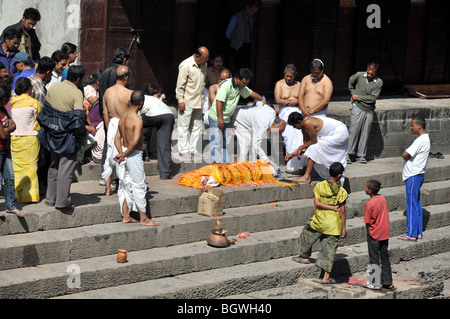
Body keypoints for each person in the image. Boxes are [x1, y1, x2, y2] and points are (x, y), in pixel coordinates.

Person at [39, 65, 86, 211]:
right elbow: (78, 120)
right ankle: (62, 202)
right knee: (66, 169)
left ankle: (50, 198)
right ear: (78, 79)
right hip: (67, 137)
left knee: (54, 166)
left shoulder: (53, 87)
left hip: (52, 134)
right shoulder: (77, 93)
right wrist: (82, 135)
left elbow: (47, 110)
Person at [292, 162, 348, 284]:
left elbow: (317, 203)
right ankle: (326, 278)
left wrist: (327, 207)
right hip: (333, 224)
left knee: (306, 235)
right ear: (339, 175)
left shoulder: (319, 186)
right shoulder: (342, 191)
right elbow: (342, 212)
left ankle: (304, 257)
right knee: (329, 250)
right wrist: (343, 228)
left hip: (319, 221)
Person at [113, 90, 160, 227]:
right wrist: (124, 154)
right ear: (141, 104)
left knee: (125, 185)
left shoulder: (122, 117)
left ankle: (126, 216)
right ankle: (144, 218)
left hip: (124, 154)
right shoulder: (137, 119)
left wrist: (121, 152)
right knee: (139, 185)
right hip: (132, 155)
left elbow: (117, 137)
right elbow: (135, 142)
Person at [208, 67, 265, 164]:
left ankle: (224, 165)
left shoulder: (241, 87)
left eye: (247, 83)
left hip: (227, 119)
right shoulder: (227, 85)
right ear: (237, 78)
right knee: (215, 143)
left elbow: (251, 93)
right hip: (216, 118)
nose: (245, 85)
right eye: (244, 83)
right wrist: (220, 119)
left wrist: (263, 100)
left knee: (226, 143)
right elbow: (219, 102)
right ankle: (215, 166)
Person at [285, 112, 349, 185]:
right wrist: (292, 154)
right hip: (332, 134)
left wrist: (301, 147)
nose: (294, 128)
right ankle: (305, 170)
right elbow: (306, 148)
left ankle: (306, 177)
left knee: (314, 147)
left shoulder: (307, 122)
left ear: (299, 122)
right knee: (312, 148)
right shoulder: (303, 128)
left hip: (340, 133)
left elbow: (314, 141)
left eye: (294, 125)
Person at [101, 65, 133, 196]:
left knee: (110, 156)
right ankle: (124, 185)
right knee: (124, 154)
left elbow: (105, 112)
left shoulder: (107, 92)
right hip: (123, 125)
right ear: (126, 78)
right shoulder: (128, 94)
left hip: (112, 124)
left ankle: (108, 187)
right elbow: (132, 114)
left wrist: (109, 128)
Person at [398, 117, 430, 242]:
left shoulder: (420, 140)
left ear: (419, 126)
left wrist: (405, 155)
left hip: (413, 175)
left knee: (412, 205)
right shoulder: (425, 139)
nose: (411, 128)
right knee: (416, 204)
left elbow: (405, 154)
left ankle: (411, 233)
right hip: (417, 175)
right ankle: (418, 232)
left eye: (413, 125)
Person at [10, 77, 41, 203]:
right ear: (29, 89)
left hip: (15, 138)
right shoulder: (34, 103)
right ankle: (30, 197)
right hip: (30, 139)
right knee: (31, 168)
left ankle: (16, 194)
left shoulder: (11, 103)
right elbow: (38, 123)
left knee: (16, 168)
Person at [175, 46, 209, 158]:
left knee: (197, 126)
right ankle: (183, 150)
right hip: (187, 100)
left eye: (206, 60)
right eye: (204, 59)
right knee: (183, 127)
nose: (205, 62)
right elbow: (180, 86)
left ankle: (193, 149)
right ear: (197, 56)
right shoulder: (186, 65)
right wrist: (180, 101)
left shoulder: (204, 65)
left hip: (199, 101)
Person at [347, 62, 383, 164]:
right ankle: (348, 154)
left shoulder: (379, 82)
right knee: (354, 131)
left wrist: (358, 97)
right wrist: (352, 92)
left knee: (365, 133)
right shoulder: (359, 75)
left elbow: (373, 98)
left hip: (369, 110)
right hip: (357, 107)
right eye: (368, 72)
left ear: (376, 73)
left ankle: (361, 155)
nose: (369, 75)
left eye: (371, 74)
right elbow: (350, 81)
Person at [364, 179, 395, 290]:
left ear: (370, 191)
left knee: (374, 258)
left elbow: (367, 222)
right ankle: (388, 282)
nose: (365, 189)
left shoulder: (369, 204)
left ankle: (374, 282)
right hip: (384, 233)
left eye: (366, 187)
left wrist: (369, 232)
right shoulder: (382, 198)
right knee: (385, 258)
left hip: (374, 234)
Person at [141, 83, 175, 180]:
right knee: (164, 145)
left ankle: (143, 154)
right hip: (168, 115)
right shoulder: (157, 100)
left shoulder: (143, 97)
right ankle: (165, 174)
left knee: (139, 131)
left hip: (151, 116)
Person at [274, 64, 303, 171]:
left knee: (300, 132)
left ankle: (299, 162)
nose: (289, 79)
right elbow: (278, 100)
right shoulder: (279, 84)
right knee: (289, 132)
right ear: (284, 75)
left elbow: (302, 99)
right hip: (285, 112)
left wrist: (297, 101)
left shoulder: (299, 85)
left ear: (295, 76)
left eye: (291, 76)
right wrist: (291, 102)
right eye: (287, 76)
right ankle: (290, 160)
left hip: (297, 111)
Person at [0, 85, 22, 217]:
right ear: (3, 99)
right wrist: (7, 129)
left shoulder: (3, 109)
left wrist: (7, 128)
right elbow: (2, 134)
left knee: (10, 177)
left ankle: (10, 206)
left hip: (5, 148)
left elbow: (12, 123)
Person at [225, 0, 259, 71]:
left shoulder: (251, 19)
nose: (252, 13)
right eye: (252, 10)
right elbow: (228, 32)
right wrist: (234, 43)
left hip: (247, 46)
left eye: (254, 12)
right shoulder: (237, 17)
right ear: (247, 7)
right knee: (239, 67)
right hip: (238, 47)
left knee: (247, 67)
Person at [83, 70, 104, 164]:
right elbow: (96, 102)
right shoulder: (88, 89)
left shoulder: (98, 91)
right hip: (87, 117)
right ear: (98, 81)